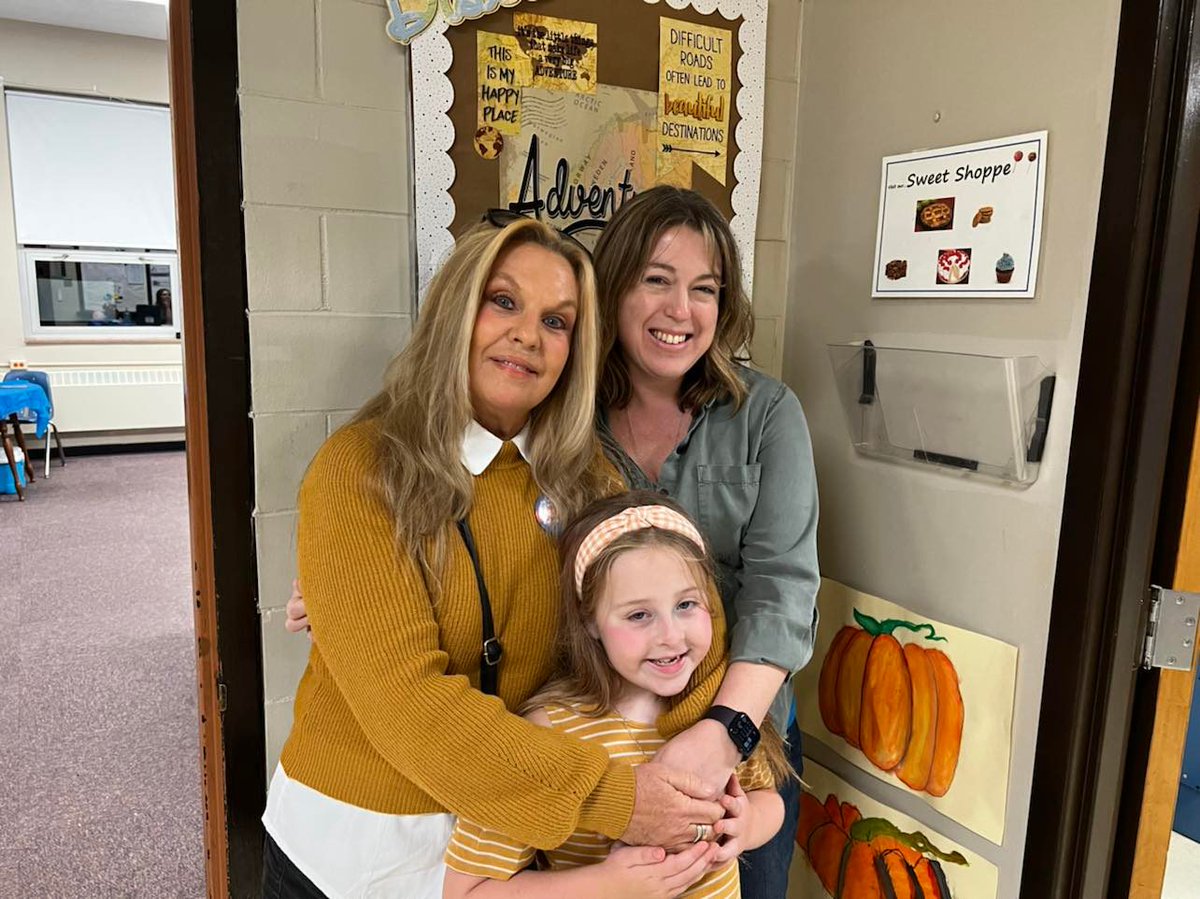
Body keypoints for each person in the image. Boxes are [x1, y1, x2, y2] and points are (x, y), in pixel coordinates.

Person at [287, 187, 819, 895]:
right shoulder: (365, 466)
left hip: (548, 815)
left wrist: (718, 744)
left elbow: (707, 613)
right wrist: (342, 588)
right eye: (503, 302)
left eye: (557, 320)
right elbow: (404, 696)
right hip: (374, 837)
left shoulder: (579, 473)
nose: (529, 337)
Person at [591, 186, 819, 896]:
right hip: (606, 733)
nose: (680, 311)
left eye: (704, 289)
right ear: (615, 286)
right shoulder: (566, 416)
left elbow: (782, 587)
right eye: (656, 280)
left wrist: (722, 731)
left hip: (749, 735)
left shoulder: (766, 414)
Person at [442, 491, 789, 899]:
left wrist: (746, 826)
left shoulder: (716, 714)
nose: (671, 636)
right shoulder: (547, 733)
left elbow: (767, 800)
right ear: (589, 621)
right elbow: (468, 892)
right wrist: (607, 885)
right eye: (639, 615)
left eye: (686, 604)